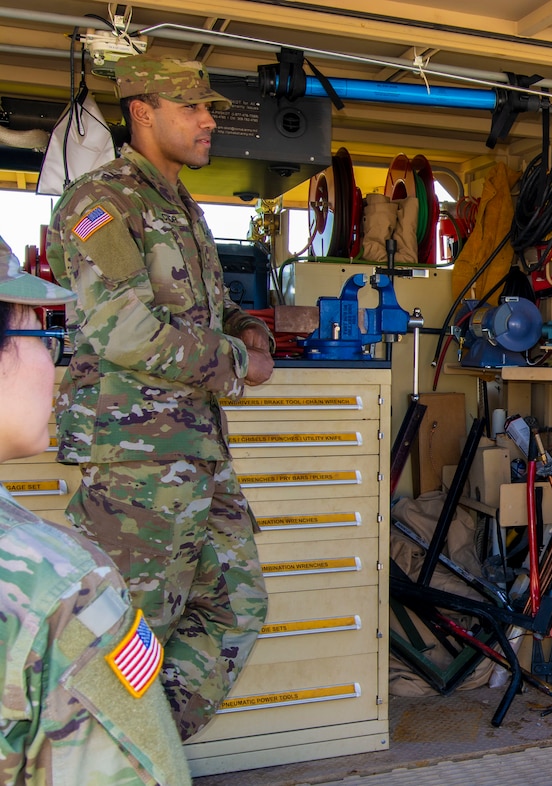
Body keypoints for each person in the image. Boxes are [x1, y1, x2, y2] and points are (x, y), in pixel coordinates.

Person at [46, 53, 274, 741]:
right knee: (124, 632)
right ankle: (94, 762)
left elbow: (208, 308)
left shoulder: (181, 207)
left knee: (236, 604)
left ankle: (144, 753)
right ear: (142, 112)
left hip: (197, 447)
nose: (209, 121)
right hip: (135, 461)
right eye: (192, 108)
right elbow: (125, 331)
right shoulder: (101, 203)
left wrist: (247, 325)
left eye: (208, 109)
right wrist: (240, 361)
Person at [0, 235, 191, 784]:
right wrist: (231, 356)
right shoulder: (61, 586)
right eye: (44, 337)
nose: (53, 365)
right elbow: (129, 330)